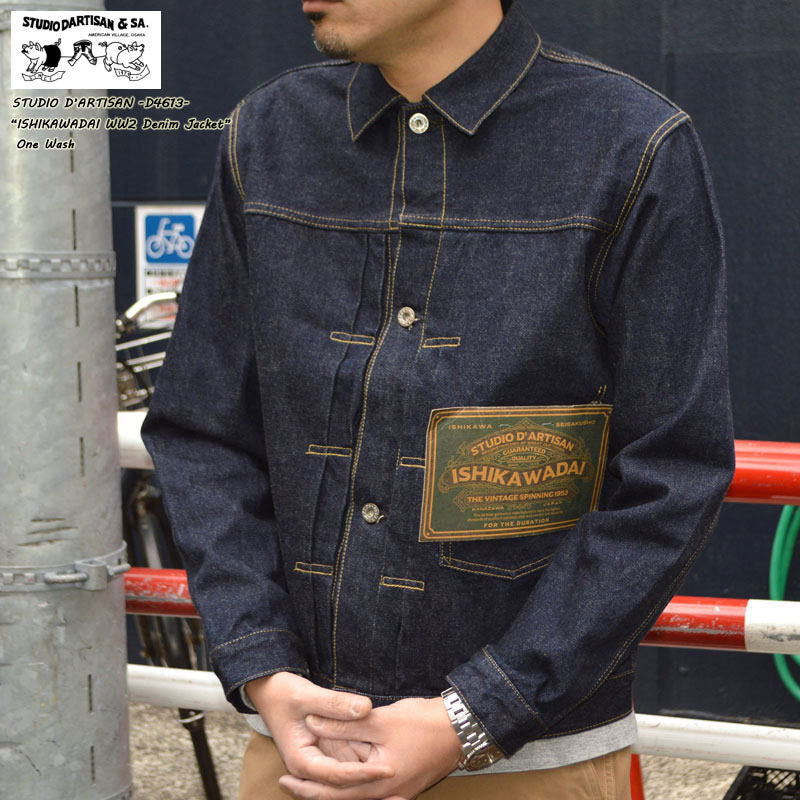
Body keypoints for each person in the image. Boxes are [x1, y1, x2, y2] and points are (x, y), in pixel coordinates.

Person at [139, 0, 736, 797]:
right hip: (298, 747)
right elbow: (202, 429)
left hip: (530, 762)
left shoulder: (632, 144)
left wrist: (479, 711)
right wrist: (262, 666)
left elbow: (672, 472)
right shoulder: (268, 133)